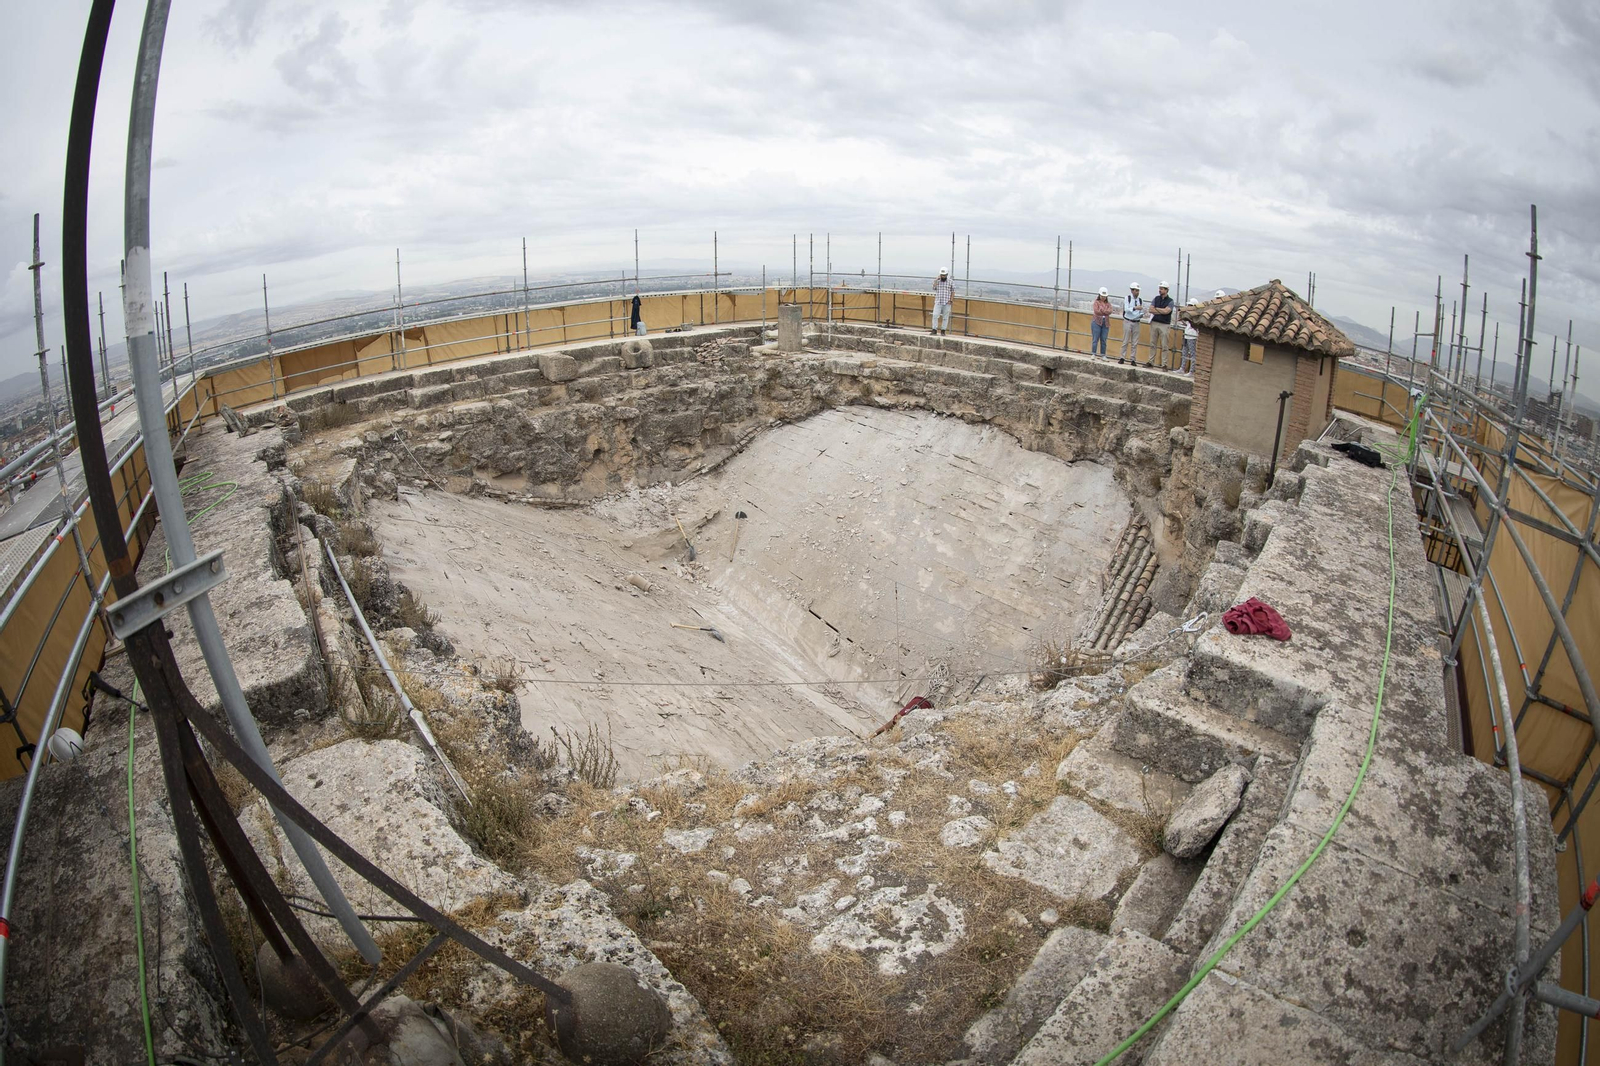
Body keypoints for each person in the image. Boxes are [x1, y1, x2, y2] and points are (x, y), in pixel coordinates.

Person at [1147, 282, 1177, 369]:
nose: (1160, 290)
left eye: (1162, 288)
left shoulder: (1170, 301)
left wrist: (1156, 309)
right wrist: (1161, 310)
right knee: (1152, 344)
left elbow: (1167, 311)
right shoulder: (1156, 298)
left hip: (1164, 324)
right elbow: (1150, 309)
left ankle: (1164, 364)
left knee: (1164, 345)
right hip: (1155, 322)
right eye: (1160, 288)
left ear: (1166, 290)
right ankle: (1151, 362)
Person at [1117, 282, 1144, 364]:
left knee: (1134, 342)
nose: (1137, 292)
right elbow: (1127, 309)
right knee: (1125, 340)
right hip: (1128, 320)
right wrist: (1135, 308)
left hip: (1136, 321)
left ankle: (1133, 359)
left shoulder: (1140, 300)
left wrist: (1140, 314)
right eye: (1136, 290)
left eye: (1138, 290)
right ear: (1132, 290)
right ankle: (1122, 357)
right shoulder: (1127, 298)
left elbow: (1141, 310)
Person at [1090, 287, 1112, 357]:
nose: (1103, 298)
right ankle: (1093, 353)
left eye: (1104, 296)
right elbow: (1096, 311)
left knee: (1103, 339)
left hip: (1105, 323)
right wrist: (1105, 312)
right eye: (1102, 296)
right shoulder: (1096, 302)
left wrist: (1102, 310)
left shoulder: (1108, 304)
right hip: (1096, 322)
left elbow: (1110, 311)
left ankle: (1103, 354)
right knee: (1095, 339)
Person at [931, 269, 954, 335]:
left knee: (945, 317)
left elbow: (953, 291)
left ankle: (943, 330)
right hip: (938, 301)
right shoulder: (937, 281)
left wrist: (951, 300)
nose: (943, 276)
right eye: (942, 275)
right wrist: (936, 280)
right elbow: (934, 288)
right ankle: (934, 329)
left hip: (947, 302)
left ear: (946, 275)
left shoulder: (950, 281)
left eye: (944, 275)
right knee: (935, 315)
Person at [1179, 305, 1199, 374]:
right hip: (1186, 335)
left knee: (1193, 353)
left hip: (1192, 337)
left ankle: (1191, 370)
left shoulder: (1195, 315)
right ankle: (1182, 368)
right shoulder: (1188, 315)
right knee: (1184, 352)